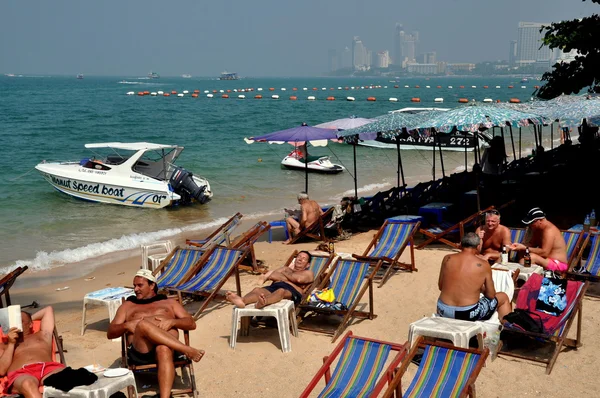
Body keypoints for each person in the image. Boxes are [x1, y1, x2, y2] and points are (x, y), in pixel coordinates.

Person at [107, 269, 203, 398]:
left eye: (140, 285)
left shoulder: (169, 303)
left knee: (163, 349)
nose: (135, 289)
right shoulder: (128, 306)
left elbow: (191, 323)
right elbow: (110, 333)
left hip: (168, 349)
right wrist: (126, 325)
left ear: (152, 285)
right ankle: (186, 349)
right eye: (134, 285)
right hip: (141, 350)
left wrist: (173, 322)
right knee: (143, 324)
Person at [437, 232, 512, 321]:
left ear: (461, 244)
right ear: (478, 246)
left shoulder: (447, 258)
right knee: (503, 297)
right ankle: (507, 329)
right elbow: (491, 295)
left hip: (443, 309)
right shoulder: (483, 264)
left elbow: (441, 286)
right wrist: (480, 288)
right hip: (467, 313)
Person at [0, 306, 65, 398]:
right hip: (22, 373)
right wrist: (11, 344)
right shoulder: (4, 345)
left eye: (20, 321)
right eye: (13, 322)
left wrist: (30, 319)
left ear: (31, 324)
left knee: (68, 377)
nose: (16, 325)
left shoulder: (42, 335)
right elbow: (1, 370)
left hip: (48, 368)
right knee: (28, 384)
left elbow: (48, 309)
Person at [226, 250, 314, 309]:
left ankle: (264, 302)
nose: (300, 259)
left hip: (293, 291)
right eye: (299, 256)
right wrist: (289, 278)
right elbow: (272, 275)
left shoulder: (308, 273)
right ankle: (242, 300)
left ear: (307, 264)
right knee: (257, 290)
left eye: (304, 258)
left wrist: (283, 276)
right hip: (275, 286)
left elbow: (299, 280)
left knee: (281, 291)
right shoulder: (286, 268)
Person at [509, 207, 569, 272]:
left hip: (558, 264)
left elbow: (544, 253)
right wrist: (518, 246)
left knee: (529, 258)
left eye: (531, 223)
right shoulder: (537, 229)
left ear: (539, 220)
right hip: (545, 260)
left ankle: (529, 279)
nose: (530, 225)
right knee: (523, 253)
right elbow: (531, 244)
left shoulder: (549, 231)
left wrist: (524, 248)